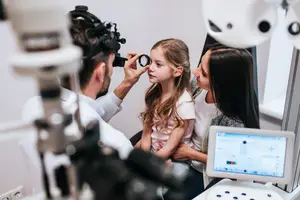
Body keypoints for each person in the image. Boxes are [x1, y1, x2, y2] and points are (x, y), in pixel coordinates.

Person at [22, 7, 148, 160]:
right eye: (111, 64)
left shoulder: (33, 108)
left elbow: (87, 112)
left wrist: (127, 83)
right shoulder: (116, 146)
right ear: (100, 72)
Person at [163, 45, 260, 200]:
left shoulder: (234, 122)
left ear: (222, 83)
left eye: (203, 73)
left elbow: (233, 165)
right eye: (200, 65)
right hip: (180, 150)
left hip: (200, 169)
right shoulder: (198, 87)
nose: (195, 72)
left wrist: (191, 154)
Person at [136, 38, 195, 166]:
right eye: (151, 62)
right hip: (154, 152)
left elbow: (171, 147)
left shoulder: (184, 103)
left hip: (175, 158)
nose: (150, 68)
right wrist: (145, 157)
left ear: (177, 71)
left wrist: (149, 163)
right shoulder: (153, 94)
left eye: (158, 64)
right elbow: (146, 133)